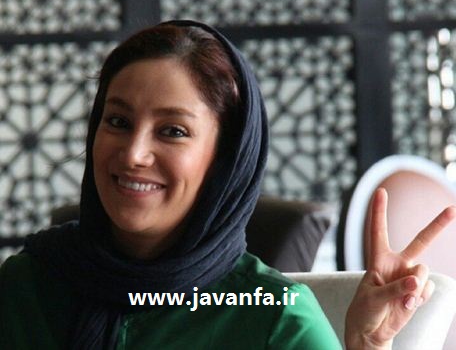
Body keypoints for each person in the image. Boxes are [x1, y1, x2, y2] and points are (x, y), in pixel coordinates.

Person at [0, 20, 454, 350]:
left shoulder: (274, 317)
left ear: (225, 159)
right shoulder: (26, 287)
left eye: (172, 131)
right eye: (118, 121)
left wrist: (368, 345)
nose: (134, 153)